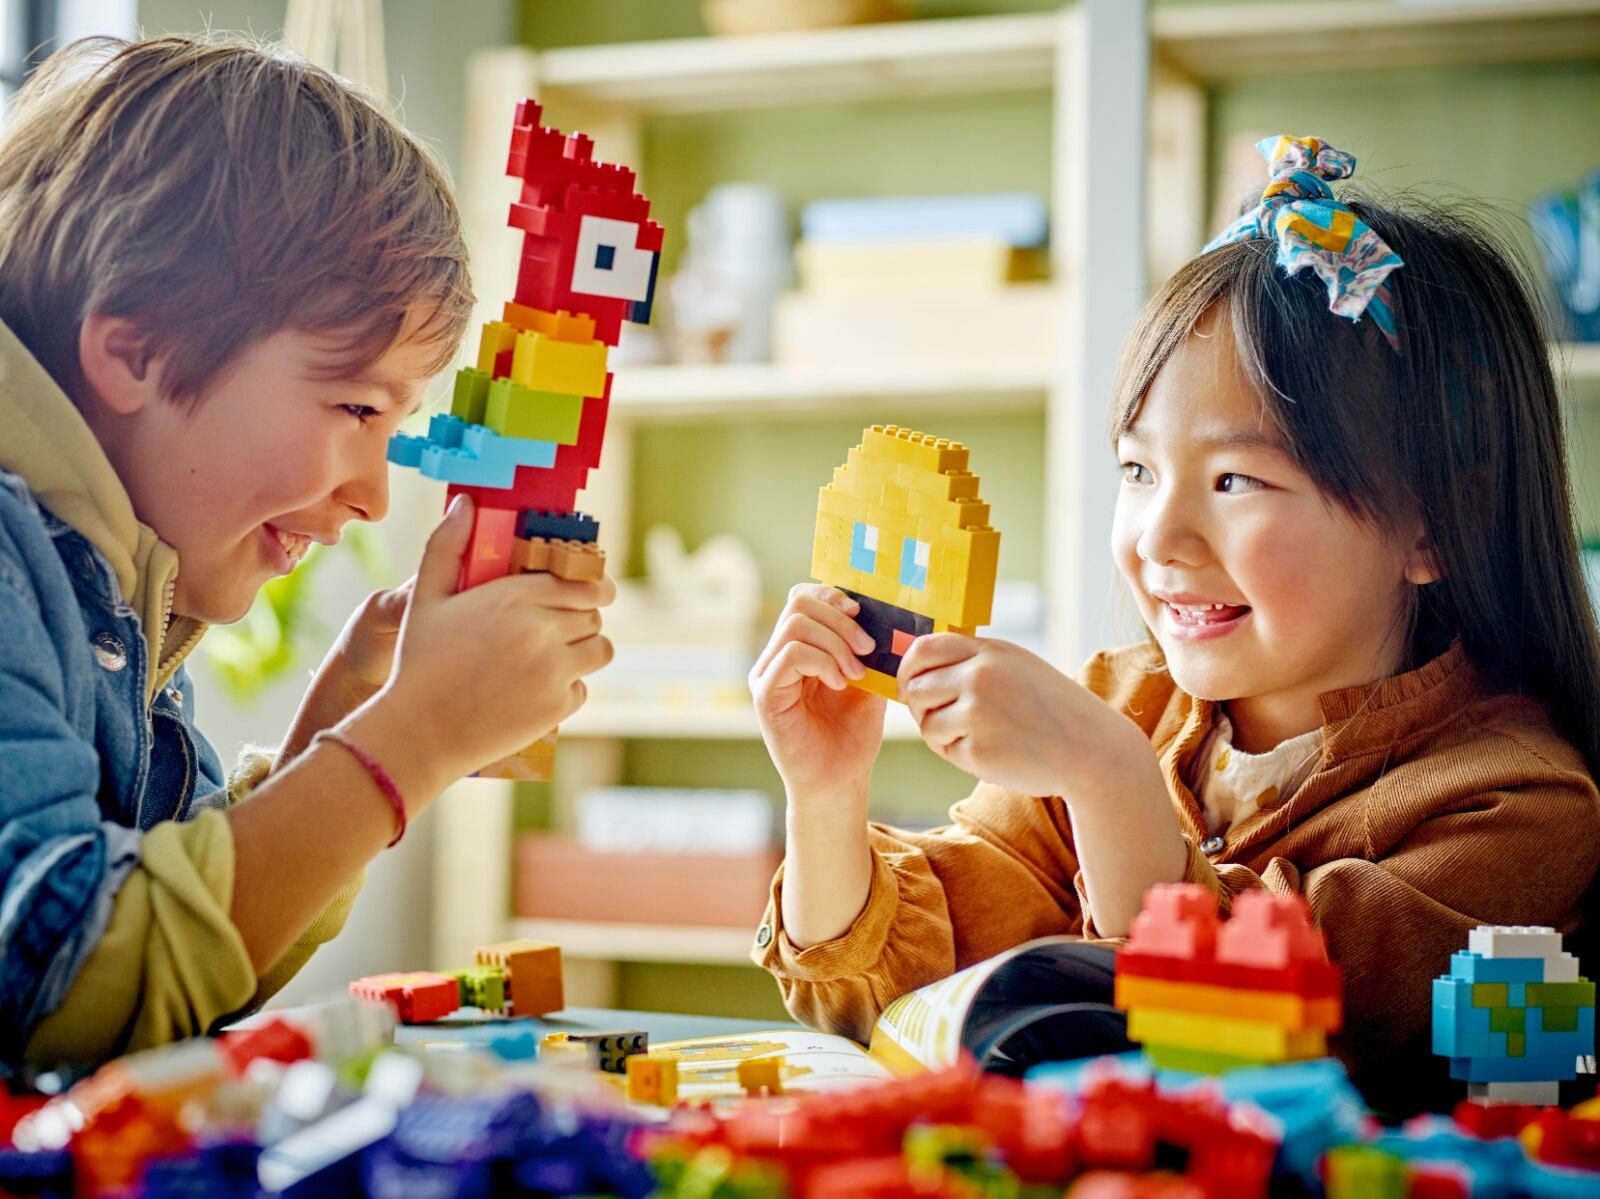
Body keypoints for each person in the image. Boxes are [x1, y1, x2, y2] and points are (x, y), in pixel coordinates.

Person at [749, 135, 1600, 1107]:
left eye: (1235, 479)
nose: (1159, 536)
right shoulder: (1124, 702)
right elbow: (897, 982)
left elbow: (1264, 1041)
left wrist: (1113, 782)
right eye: (1138, 469)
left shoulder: (1520, 802)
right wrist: (826, 793)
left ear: (1436, 522)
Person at [0, 35, 613, 1070]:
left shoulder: (124, 576)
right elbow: (71, 982)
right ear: (137, 348)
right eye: (357, 407)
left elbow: (179, 971)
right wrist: (413, 735)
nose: (374, 496)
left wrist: (354, 707)